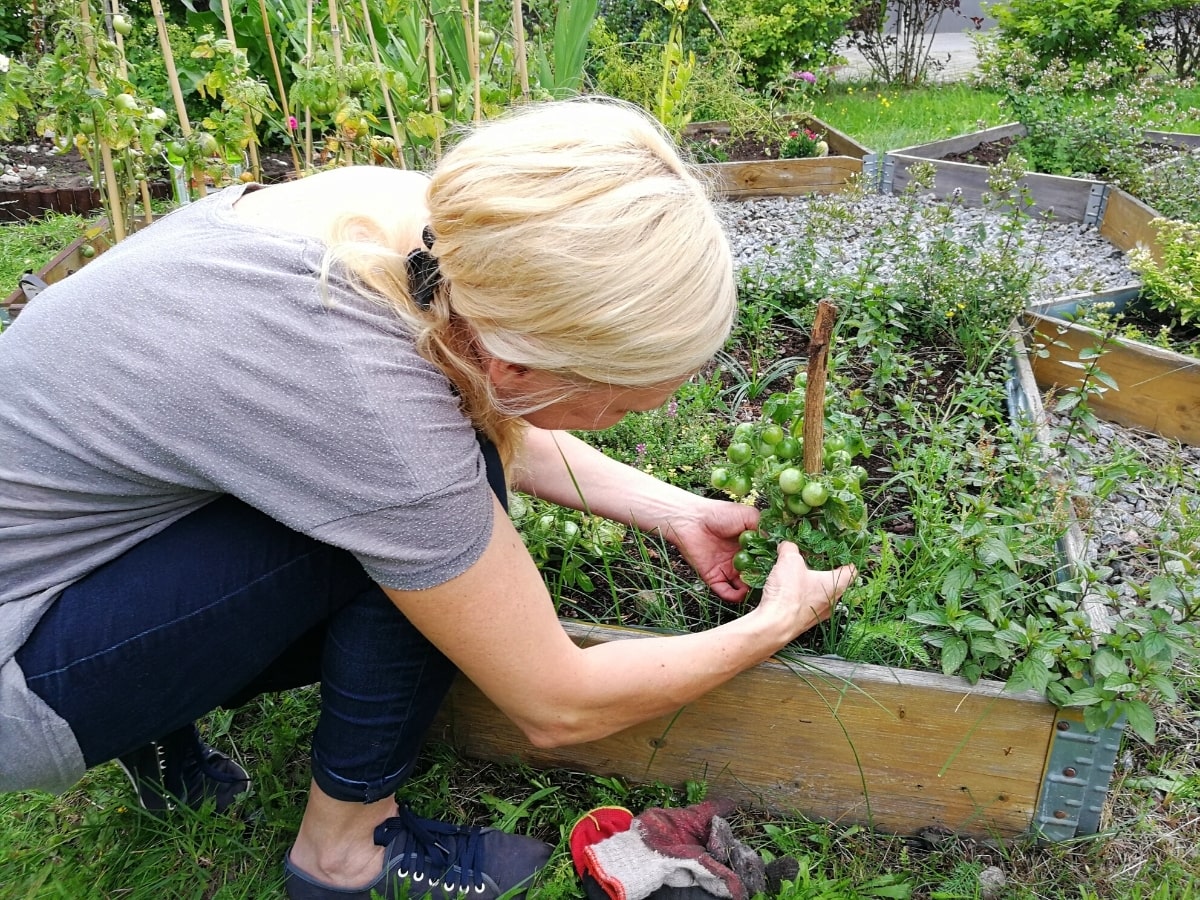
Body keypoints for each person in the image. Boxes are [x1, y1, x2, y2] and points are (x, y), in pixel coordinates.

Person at [0, 97, 855, 900]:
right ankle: (345, 855)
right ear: (514, 364)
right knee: (440, 516)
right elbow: (556, 701)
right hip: (17, 674)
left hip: (60, 561)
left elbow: (451, 414)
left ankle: (157, 732)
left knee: (416, 499)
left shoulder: (415, 228)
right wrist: (772, 624)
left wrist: (675, 511)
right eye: (626, 406)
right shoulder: (354, 382)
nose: (632, 420)